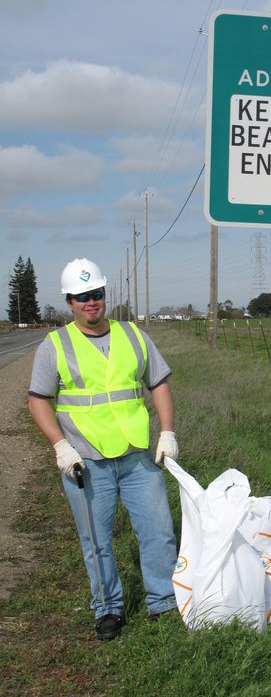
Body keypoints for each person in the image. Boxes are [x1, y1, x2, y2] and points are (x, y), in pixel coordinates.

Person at [28, 258, 179, 641]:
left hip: (136, 457)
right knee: (96, 540)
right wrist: (61, 447)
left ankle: (162, 601)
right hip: (86, 461)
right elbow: (38, 401)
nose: (90, 302)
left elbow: (158, 384)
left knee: (158, 532)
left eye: (96, 294)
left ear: (104, 295)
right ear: (69, 302)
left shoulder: (134, 335)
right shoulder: (55, 345)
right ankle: (108, 608)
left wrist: (168, 432)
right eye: (81, 297)